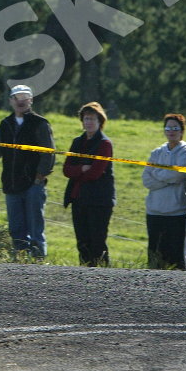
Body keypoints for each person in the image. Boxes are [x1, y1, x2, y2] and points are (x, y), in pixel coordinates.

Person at [0, 84, 55, 260]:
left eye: (24, 97)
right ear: (10, 101)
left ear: (31, 100)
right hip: (11, 183)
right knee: (16, 227)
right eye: (16, 98)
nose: (20, 101)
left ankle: (39, 260)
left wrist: (40, 176)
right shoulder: (6, 124)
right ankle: (20, 259)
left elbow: (48, 153)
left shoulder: (40, 123)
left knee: (35, 227)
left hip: (33, 184)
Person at [62, 102, 116, 267]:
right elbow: (66, 169)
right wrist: (82, 169)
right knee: (82, 242)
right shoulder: (77, 142)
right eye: (86, 119)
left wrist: (77, 171)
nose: (89, 122)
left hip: (99, 201)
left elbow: (95, 173)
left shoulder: (105, 144)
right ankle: (83, 273)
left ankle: (103, 274)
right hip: (78, 198)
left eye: (92, 119)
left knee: (97, 243)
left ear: (100, 121)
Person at [142, 113, 186, 270]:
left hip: (176, 213)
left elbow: (179, 174)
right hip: (154, 212)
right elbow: (146, 179)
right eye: (168, 128)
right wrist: (167, 177)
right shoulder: (156, 152)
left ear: (182, 131)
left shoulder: (185, 151)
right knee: (155, 259)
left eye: (175, 128)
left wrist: (157, 173)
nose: (171, 131)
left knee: (176, 260)